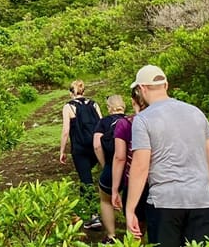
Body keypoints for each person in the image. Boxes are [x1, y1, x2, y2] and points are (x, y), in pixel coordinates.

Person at [125, 65, 209, 247]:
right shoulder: (196, 113)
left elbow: (140, 166)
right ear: (166, 85)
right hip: (202, 200)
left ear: (141, 89)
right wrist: (199, 185)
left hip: (164, 203)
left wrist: (130, 210)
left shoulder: (143, 119)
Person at [59, 79, 103, 229]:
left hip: (80, 149)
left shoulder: (68, 107)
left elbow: (65, 131)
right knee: (86, 178)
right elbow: (102, 125)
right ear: (83, 91)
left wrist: (62, 150)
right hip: (95, 148)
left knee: (86, 180)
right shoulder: (94, 104)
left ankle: (94, 215)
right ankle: (85, 209)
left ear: (71, 92)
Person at [111, 86, 151, 242]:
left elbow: (120, 157)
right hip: (160, 182)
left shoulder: (125, 124)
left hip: (134, 182)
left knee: (135, 229)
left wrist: (115, 189)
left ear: (133, 101)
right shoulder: (161, 121)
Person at [92, 95, 127, 243]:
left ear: (108, 107)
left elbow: (97, 145)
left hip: (112, 166)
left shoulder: (103, 122)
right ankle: (133, 236)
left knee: (105, 200)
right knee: (133, 199)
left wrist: (104, 164)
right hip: (132, 168)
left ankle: (111, 236)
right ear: (124, 106)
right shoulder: (131, 120)